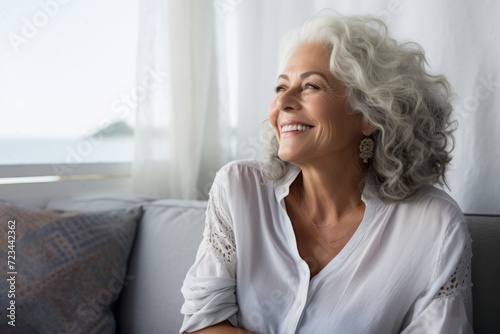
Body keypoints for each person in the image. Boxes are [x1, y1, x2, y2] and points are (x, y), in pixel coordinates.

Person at [179, 14, 472, 334]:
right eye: (280, 87)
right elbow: (203, 323)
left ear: (369, 115)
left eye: (310, 86)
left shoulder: (434, 225)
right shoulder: (239, 190)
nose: (283, 102)